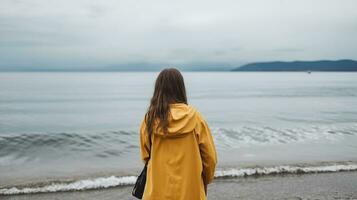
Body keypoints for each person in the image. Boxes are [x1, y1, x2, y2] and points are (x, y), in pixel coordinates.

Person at [139, 68, 217, 200]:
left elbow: (146, 156)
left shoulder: (150, 119)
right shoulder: (195, 118)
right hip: (191, 193)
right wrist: (204, 181)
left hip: (156, 193)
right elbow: (210, 158)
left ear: (158, 90)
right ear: (181, 89)